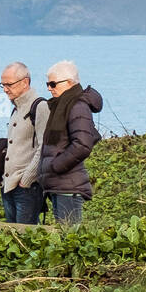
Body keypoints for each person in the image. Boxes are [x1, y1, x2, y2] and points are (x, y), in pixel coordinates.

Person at [38, 60, 103, 225]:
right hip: (59, 186)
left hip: (69, 186)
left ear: (69, 83)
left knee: (71, 240)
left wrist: (56, 165)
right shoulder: (61, 106)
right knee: (63, 239)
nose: (49, 88)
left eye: (52, 84)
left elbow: (82, 144)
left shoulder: (77, 106)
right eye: (47, 84)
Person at [0, 61, 48, 225]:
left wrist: (27, 179)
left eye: (9, 84)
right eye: (3, 84)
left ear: (25, 82)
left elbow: (45, 146)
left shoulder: (40, 106)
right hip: (8, 185)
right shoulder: (16, 108)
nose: (5, 89)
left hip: (27, 188)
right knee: (11, 237)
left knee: (26, 239)